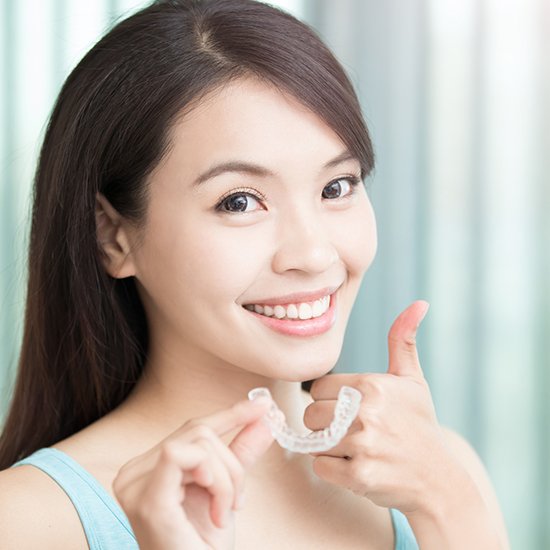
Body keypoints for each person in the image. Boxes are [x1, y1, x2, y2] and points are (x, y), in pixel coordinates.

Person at [0, 0, 509, 548]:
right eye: (240, 201)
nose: (313, 254)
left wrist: (448, 504)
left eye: (337, 187)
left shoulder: (440, 471)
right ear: (114, 237)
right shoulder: (26, 520)